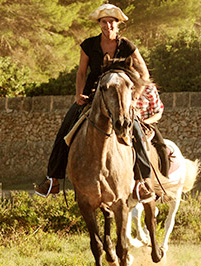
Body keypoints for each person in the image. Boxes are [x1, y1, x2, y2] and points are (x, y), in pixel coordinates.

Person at [35, 4, 155, 200]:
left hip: (121, 98)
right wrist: (78, 95)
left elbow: (144, 73)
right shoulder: (88, 45)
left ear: (118, 25)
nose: (108, 26)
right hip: (93, 95)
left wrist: (134, 97)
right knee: (65, 128)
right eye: (104, 22)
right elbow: (82, 73)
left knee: (137, 132)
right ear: (99, 24)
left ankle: (141, 182)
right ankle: (53, 179)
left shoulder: (127, 46)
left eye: (111, 22)